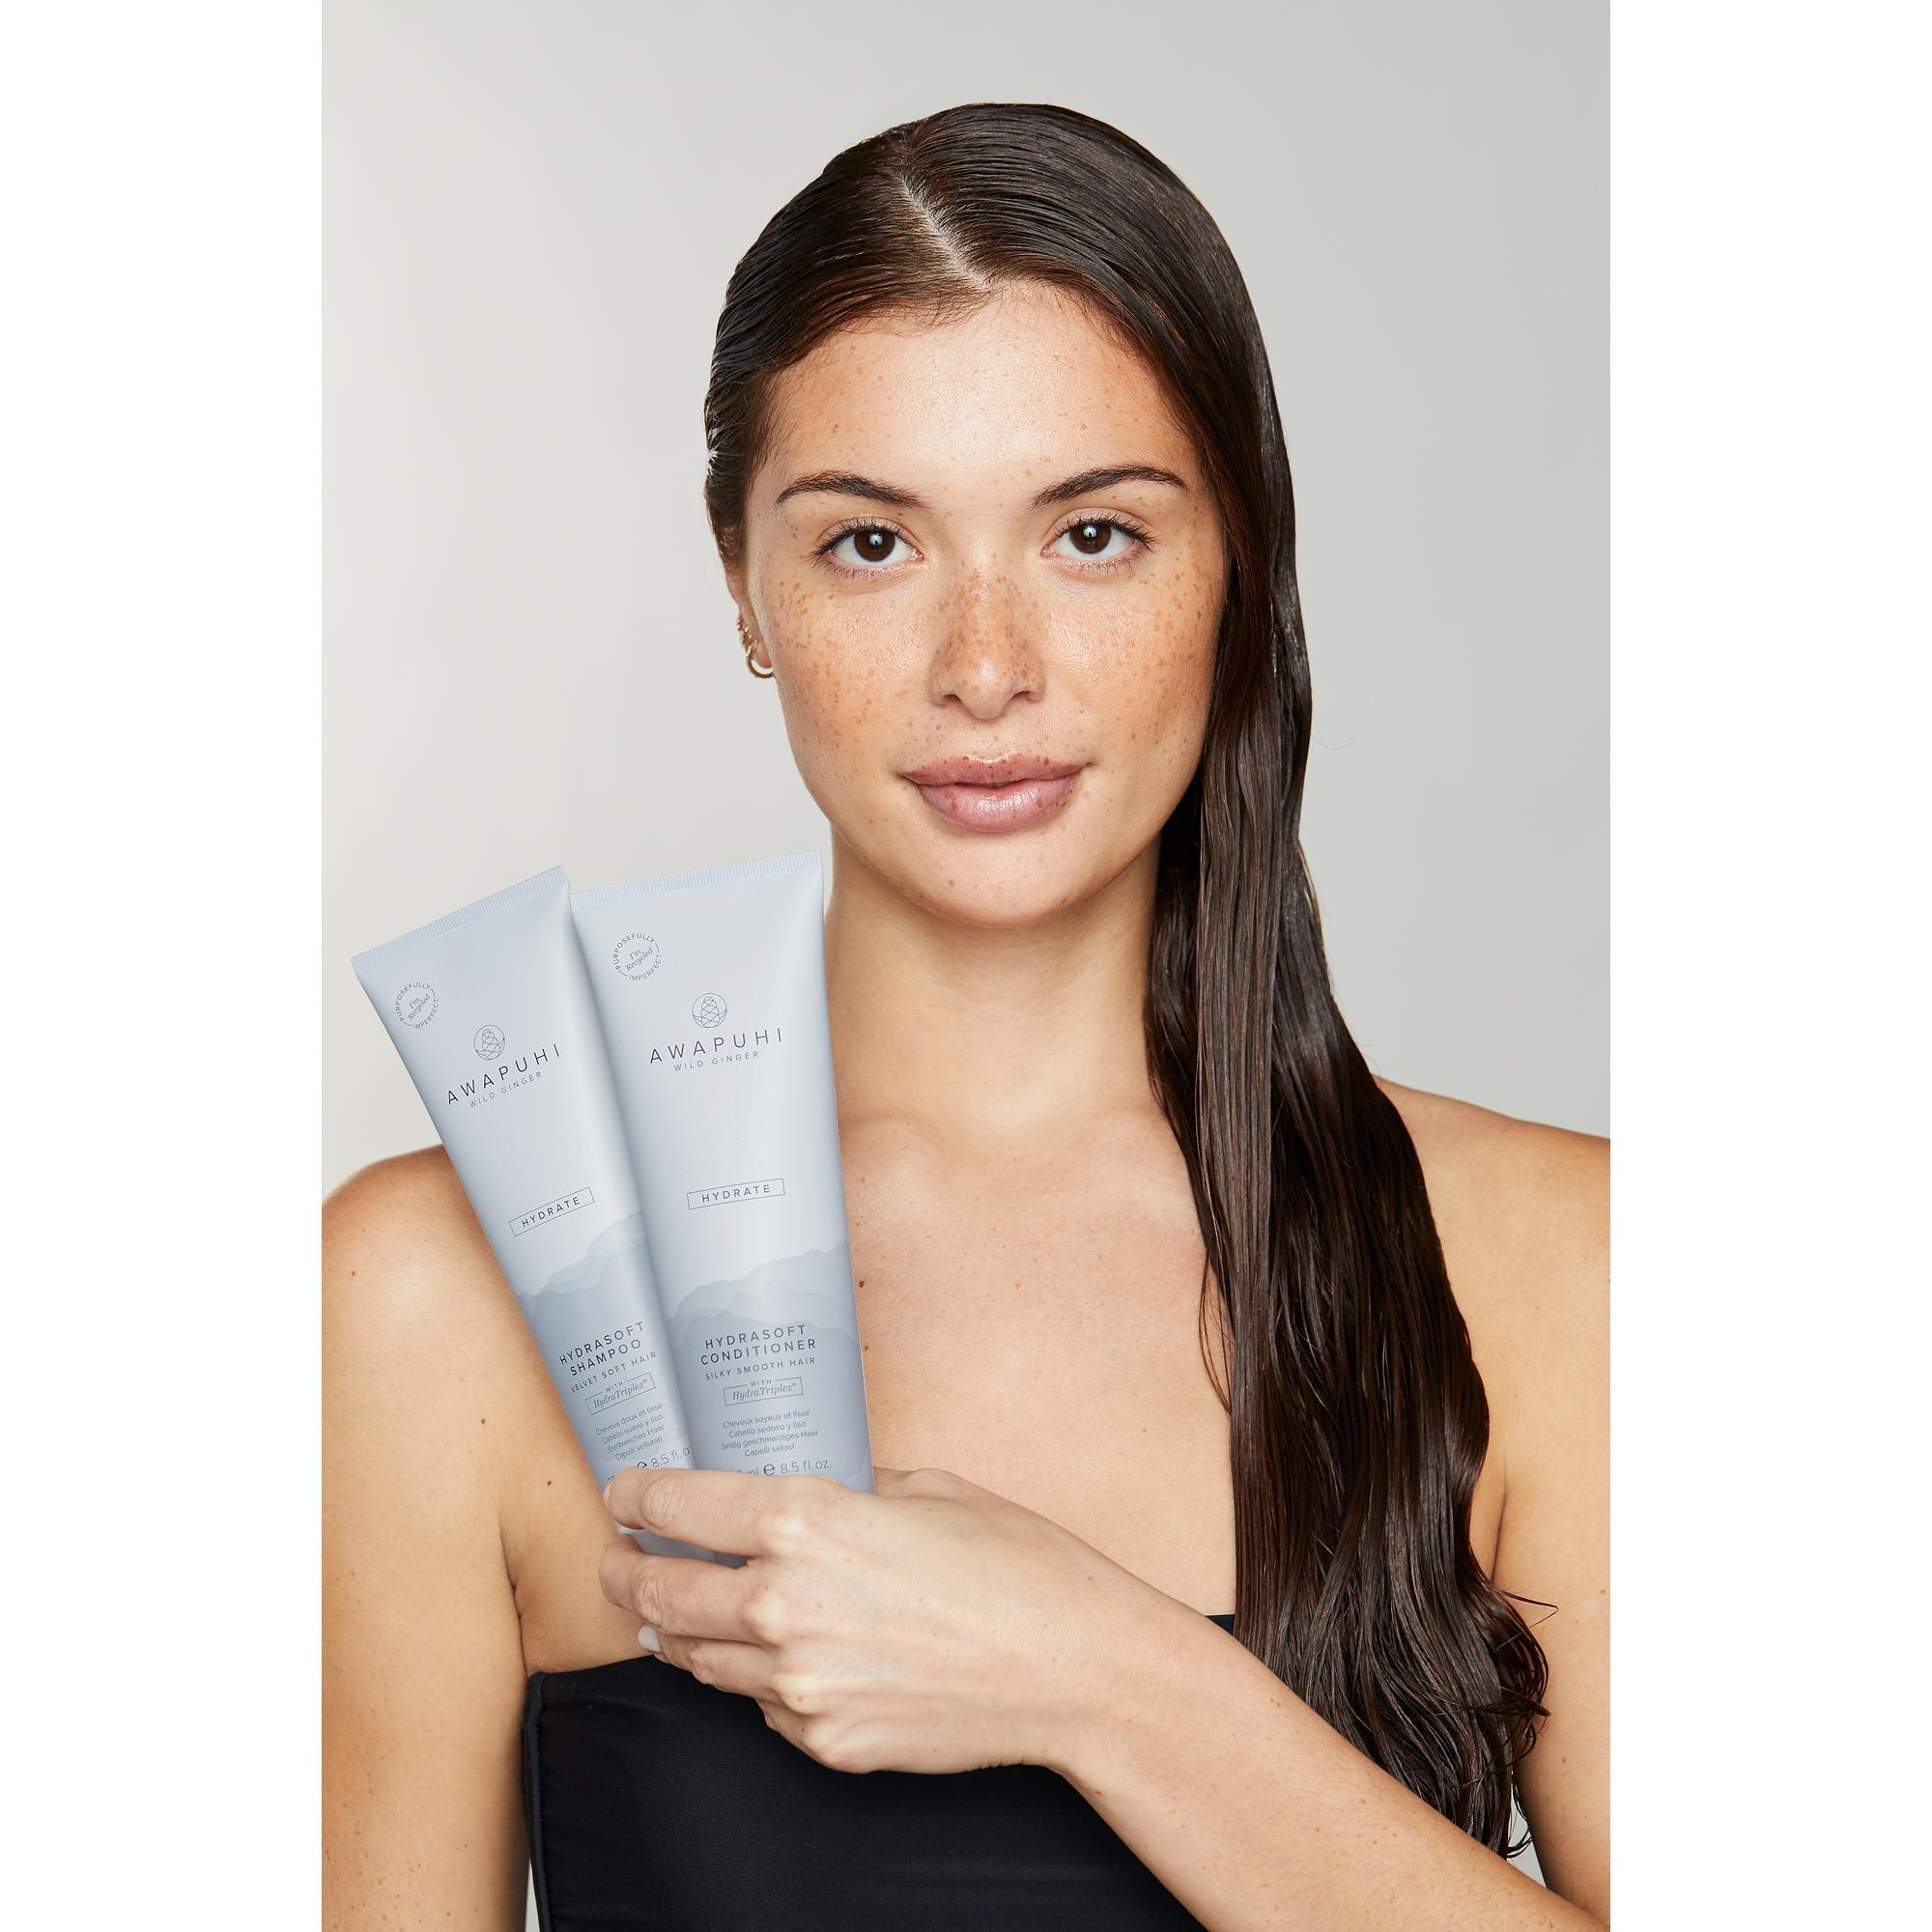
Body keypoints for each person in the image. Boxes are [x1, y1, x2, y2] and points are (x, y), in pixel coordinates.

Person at [324, 102, 1607, 1930]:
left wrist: (1101, 1676)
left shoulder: (1564, 1274)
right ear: (745, 585)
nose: (986, 667)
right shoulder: (442, 1298)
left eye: (1093, 533)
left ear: (1237, 568)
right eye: (871, 543)